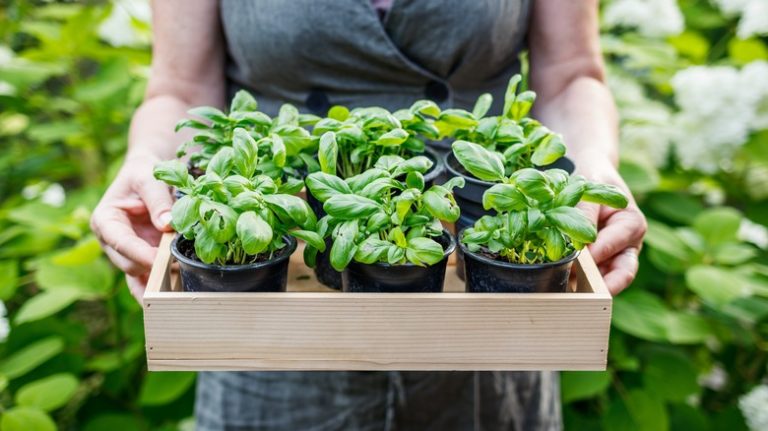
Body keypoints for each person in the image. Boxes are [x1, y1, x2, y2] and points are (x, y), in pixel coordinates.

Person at [91, 1, 647, 429]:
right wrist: (147, 162)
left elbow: (572, 73)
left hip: (491, 331)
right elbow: (180, 85)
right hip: (267, 334)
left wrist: (594, 165)